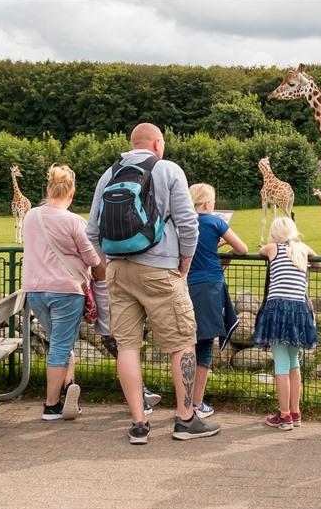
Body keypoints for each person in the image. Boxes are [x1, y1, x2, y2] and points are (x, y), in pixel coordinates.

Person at [86, 123, 220, 445]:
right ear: (158, 143)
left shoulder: (109, 174)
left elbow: (92, 232)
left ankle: (138, 424)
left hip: (118, 271)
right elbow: (189, 224)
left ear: (132, 144)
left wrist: (111, 261)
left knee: (127, 345)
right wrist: (184, 262)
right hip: (160, 270)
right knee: (182, 342)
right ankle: (186, 419)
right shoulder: (168, 169)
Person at [22, 164, 100, 421]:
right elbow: (91, 257)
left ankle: (69, 388)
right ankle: (51, 405)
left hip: (35, 290)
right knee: (60, 345)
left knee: (59, 342)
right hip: (66, 290)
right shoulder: (74, 221)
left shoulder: (31, 216)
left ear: (48, 188)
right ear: (72, 191)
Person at [253, 217, 321, 430]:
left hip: (277, 310)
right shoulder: (302, 249)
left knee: (281, 365)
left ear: (275, 234)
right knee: (294, 362)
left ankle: (284, 416)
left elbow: (260, 251)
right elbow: (320, 265)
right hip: (299, 310)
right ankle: (295, 412)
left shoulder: (272, 248)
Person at [187, 183, 248, 418]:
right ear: (207, 203)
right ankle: (197, 403)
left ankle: (185, 401)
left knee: (187, 343)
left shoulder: (185, 222)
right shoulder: (216, 222)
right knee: (205, 346)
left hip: (187, 286)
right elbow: (241, 248)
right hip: (211, 286)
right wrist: (219, 242)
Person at [92, 277, 161, 415]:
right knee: (123, 348)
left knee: (122, 349)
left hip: (111, 300)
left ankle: (141, 397)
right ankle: (141, 395)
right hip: (114, 299)